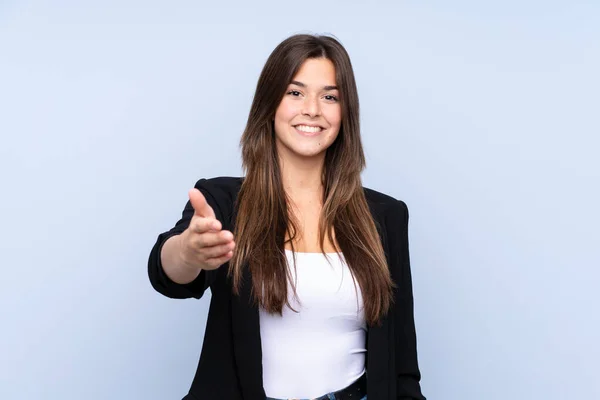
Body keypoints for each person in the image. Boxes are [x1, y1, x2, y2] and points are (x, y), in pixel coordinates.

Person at [148, 33, 426, 400]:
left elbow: (403, 369)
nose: (312, 109)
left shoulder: (386, 216)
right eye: (295, 93)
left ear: (345, 113)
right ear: (269, 104)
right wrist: (188, 252)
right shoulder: (225, 201)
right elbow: (167, 274)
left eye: (329, 97)